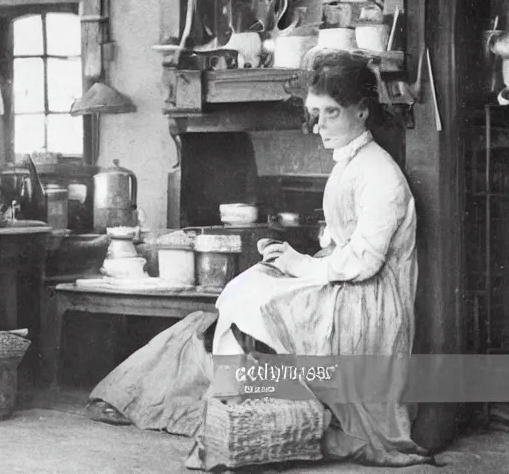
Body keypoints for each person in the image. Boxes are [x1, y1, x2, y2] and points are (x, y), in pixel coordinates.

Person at [86, 51, 432, 468]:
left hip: (371, 299)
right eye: (314, 113)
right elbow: (343, 240)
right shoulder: (351, 160)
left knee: (262, 303)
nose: (319, 126)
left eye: (331, 113)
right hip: (347, 278)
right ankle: (249, 413)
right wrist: (294, 257)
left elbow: (363, 262)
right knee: (243, 287)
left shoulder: (380, 174)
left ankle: (272, 412)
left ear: (361, 111)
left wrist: (300, 264)